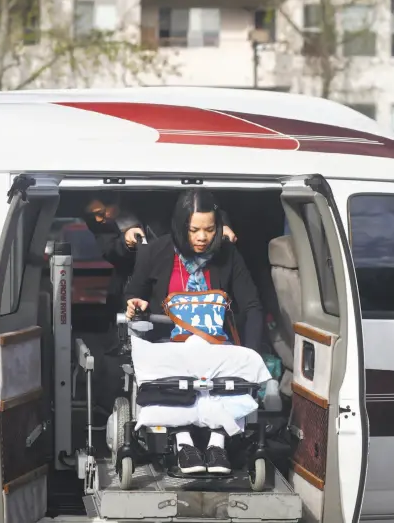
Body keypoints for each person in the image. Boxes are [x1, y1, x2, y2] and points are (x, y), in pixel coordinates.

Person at [125, 189, 264, 475]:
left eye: (210, 230)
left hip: (216, 344)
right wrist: (135, 304)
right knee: (185, 362)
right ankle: (184, 443)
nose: (202, 237)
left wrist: (250, 352)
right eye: (194, 230)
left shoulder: (229, 255)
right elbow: (133, 295)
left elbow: (252, 306)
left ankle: (217, 444)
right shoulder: (154, 253)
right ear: (180, 226)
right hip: (169, 342)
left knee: (228, 372)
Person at [81, 191, 237, 315]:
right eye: (92, 215)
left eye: (100, 212)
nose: (97, 219)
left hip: (177, 275)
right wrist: (126, 243)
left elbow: (195, 206)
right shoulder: (100, 224)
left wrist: (220, 226)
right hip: (132, 283)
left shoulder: (152, 200)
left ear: (114, 201)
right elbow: (110, 251)